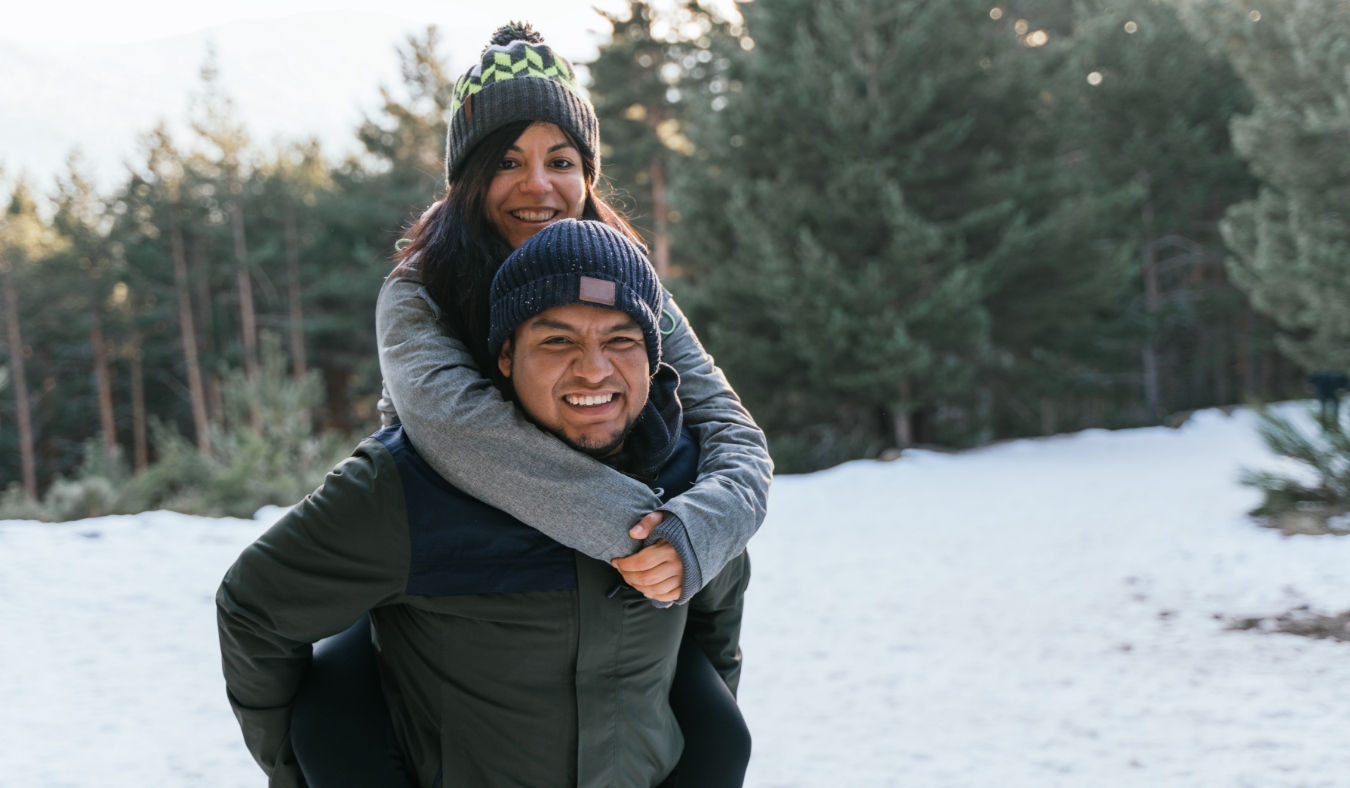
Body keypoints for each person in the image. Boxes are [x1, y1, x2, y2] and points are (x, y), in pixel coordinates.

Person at [218, 219, 750, 788]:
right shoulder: (409, 485)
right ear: (504, 356)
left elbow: (714, 625)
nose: (595, 369)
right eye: (557, 340)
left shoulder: (693, 479)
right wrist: (294, 771)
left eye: (622, 339)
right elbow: (255, 610)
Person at [375, 22, 771, 607]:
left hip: (628, 593)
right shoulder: (420, 289)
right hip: (462, 580)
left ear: (586, 175)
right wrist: (642, 534)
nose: (537, 186)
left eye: (560, 161)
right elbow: (460, 433)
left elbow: (730, 428)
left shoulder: (626, 275)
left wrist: (700, 531)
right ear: (468, 180)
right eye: (506, 163)